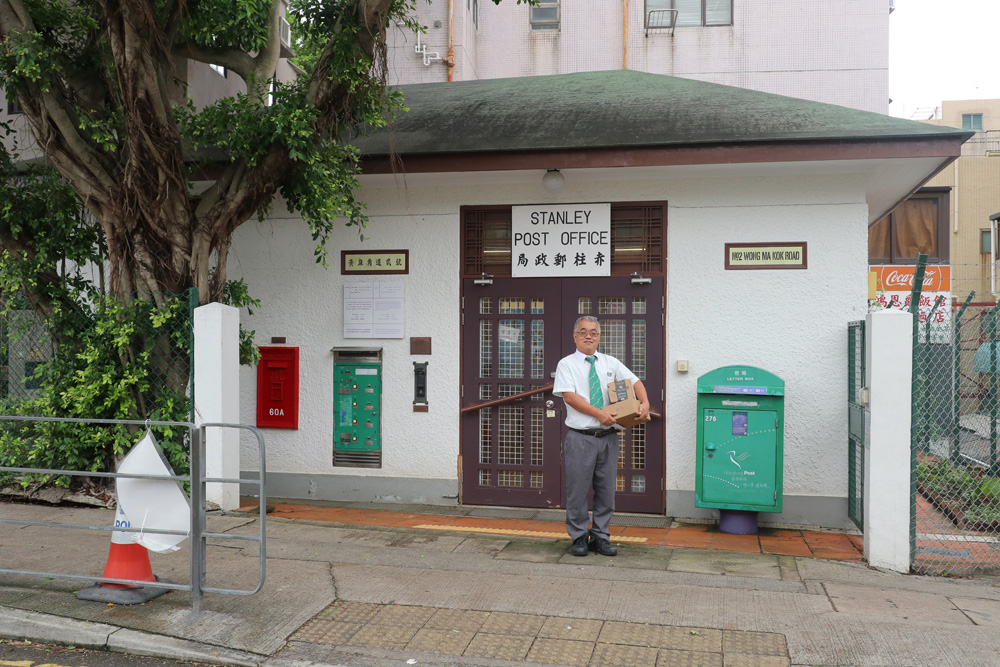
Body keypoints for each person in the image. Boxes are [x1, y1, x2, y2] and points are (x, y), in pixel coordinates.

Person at [552, 315, 649, 557]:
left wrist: (645, 402)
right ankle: (578, 537)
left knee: (606, 491)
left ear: (599, 337)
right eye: (583, 331)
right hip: (580, 437)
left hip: (608, 437)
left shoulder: (609, 362)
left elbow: (634, 382)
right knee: (578, 490)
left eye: (593, 332)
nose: (588, 336)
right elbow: (570, 397)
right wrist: (599, 414)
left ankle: (601, 537)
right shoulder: (567, 364)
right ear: (574, 336)